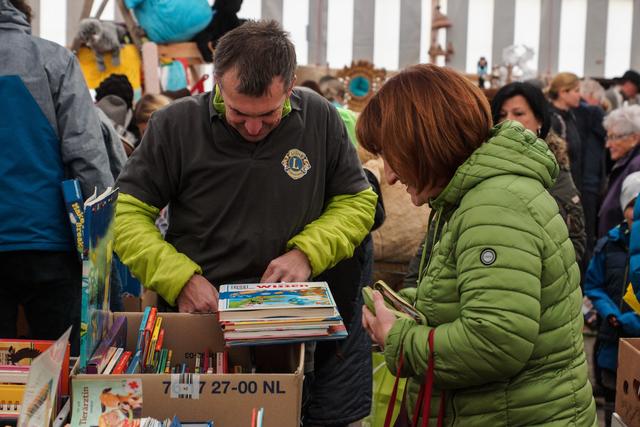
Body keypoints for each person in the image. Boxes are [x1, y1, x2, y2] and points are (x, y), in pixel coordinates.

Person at [114, 20, 377, 426]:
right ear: (216, 81)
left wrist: (306, 252)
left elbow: (357, 202)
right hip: (201, 325)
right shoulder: (175, 125)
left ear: (290, 86)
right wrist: (179, 278)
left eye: (268, 114)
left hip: (293, 327)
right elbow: (126, 215)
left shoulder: (321, 119)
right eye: (238, 112)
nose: (253, 128)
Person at [358, 64, 596, 426]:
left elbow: (495, 340)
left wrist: (398, 338)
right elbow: (474, 296)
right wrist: (409, 306)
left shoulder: (494, 205)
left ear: (424, 144)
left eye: (393, 155)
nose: (389, 174)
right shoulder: (475, 197)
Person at [0, 0, 113, 350]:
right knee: (63, 371)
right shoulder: (54, 60)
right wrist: (103, 248)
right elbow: (88, 157)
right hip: (49, 242)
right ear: (22, 12)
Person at [491, 81, 586, 266]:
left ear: (539, 120)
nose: (508, 121)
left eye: (518, 114)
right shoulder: (481, 166)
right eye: (501, 115)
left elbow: (576, 239)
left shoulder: (555, 169)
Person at [584, 171, 640, 427]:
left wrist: (633, 319)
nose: (635, 212)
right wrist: (610, 313)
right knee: (612, 399)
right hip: (611, 338)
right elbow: (593, 284)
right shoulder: (609, 244)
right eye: (631, 205)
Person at [598, 105, 640, 236]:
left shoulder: (636, 167)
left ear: (634, 138)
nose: (608, 144)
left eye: (613, 137)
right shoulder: (627, 162)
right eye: (608, 137)